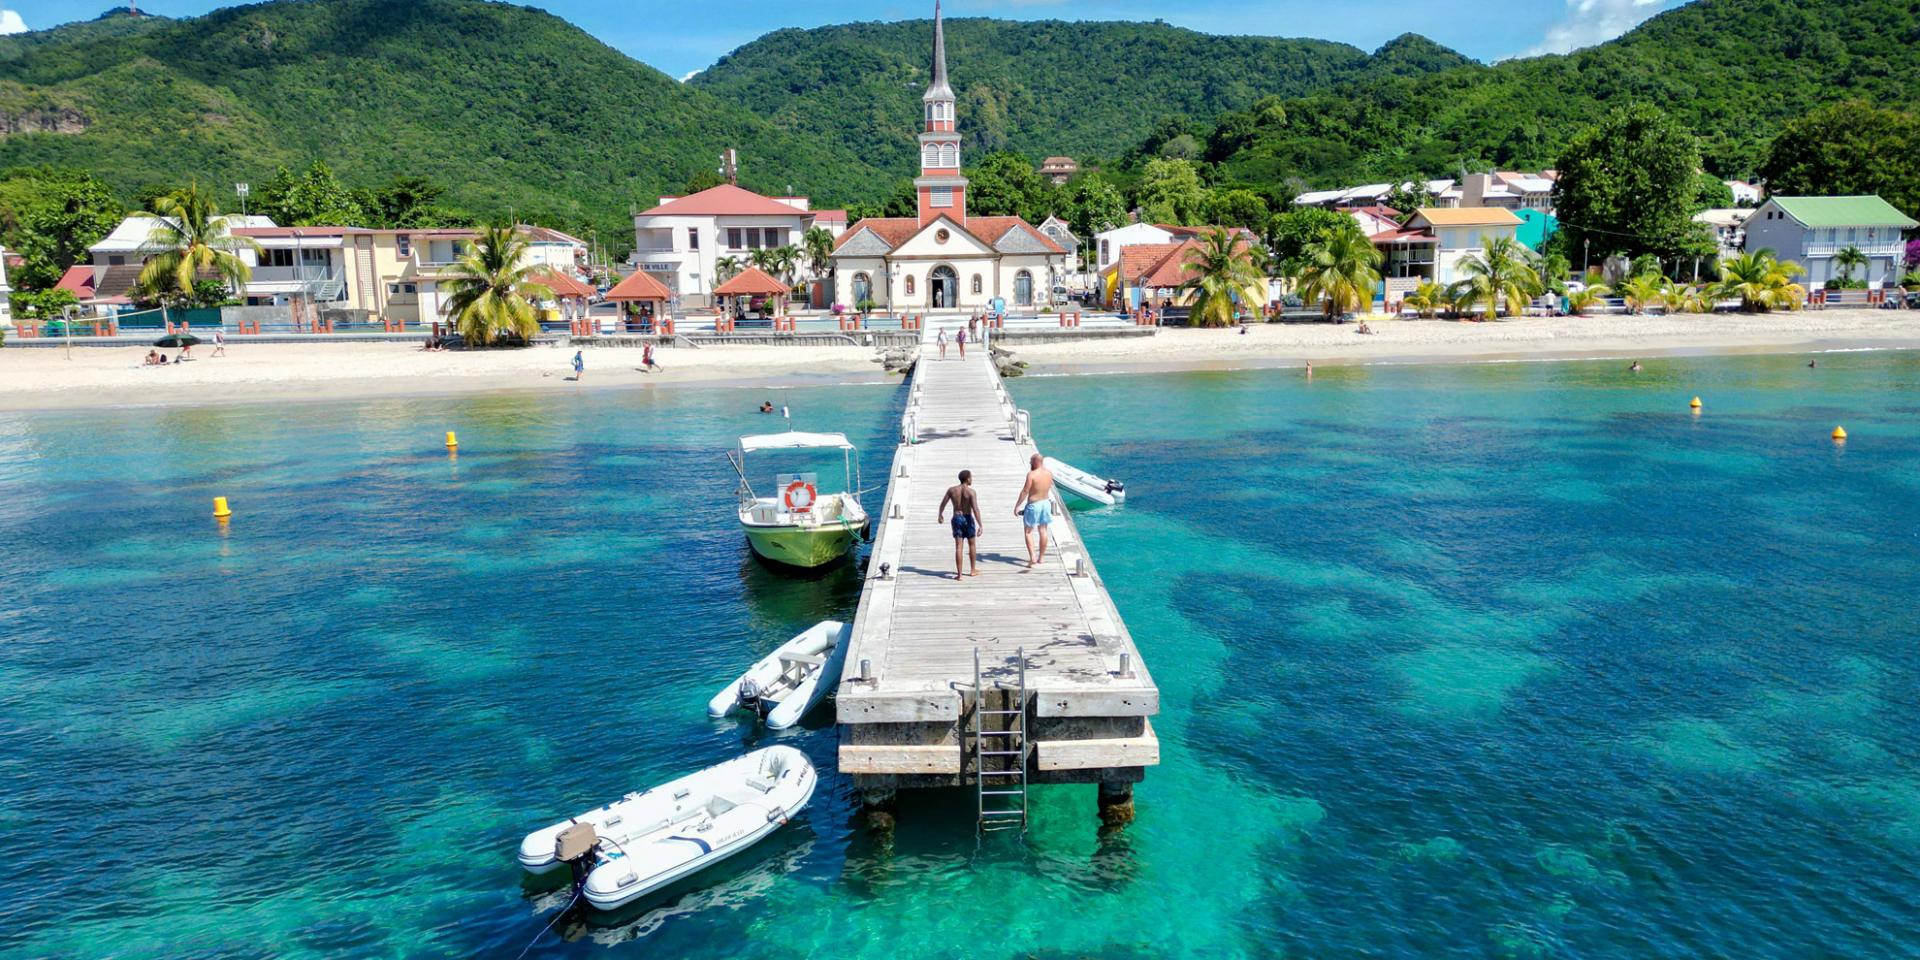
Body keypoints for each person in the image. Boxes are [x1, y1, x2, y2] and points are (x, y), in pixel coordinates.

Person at [937, 469, 983, 579]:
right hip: (967, 518)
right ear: (967, 479)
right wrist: (980, 525)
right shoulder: (971, 492)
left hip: (957, 518)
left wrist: (940, 514)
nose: (972, 479)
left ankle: (959, 575)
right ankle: (972, 570)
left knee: (959, 546)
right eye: (971, 477)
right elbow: (975, 509)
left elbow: (943, 503)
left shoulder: (952, 490)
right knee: (971, 544)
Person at [1013, 453, 1054, 568]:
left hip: (1034, 504)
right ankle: (1041, 557)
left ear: (1036, 462)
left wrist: (1017, 506)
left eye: (1031, 461)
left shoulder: (1031, 475)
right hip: (1046, 503)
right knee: (1043, 530)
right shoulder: (1049, 474)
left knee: (1028, 531)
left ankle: (1033, 557)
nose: (1030, 463)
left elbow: (1025, 491)